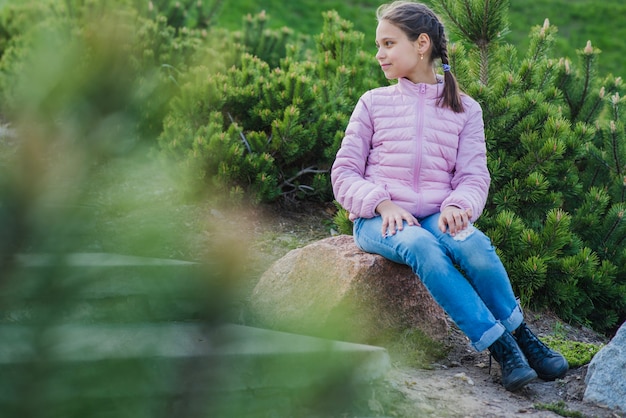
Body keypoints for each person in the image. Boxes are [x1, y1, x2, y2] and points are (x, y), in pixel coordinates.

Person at [330, 0, 568, 392]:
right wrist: (380, 203)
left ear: (421, 43)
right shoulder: (373, 103)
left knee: (473, 245)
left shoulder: (466, 109)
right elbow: (343, 173)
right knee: (423, 248)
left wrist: (459, 205)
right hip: (380, 219)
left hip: (437, 213)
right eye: (379, 45)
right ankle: (501, 348)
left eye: (389, 43)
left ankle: (524, 336)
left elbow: (474, 175)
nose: (379, 54)